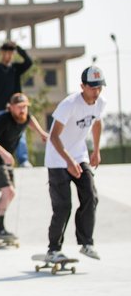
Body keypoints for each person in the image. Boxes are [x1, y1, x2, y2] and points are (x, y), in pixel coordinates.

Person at [43, 66, 107, 262]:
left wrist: (96, 150)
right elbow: (53, 136)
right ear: (82, 86)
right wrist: (68, 161)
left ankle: (86, 243)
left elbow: (96, 123)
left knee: (90, 195)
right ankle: (53, 249)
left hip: (79, 155)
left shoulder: (100, 103)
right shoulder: (69, 104)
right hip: (57, 158)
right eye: (92, 87)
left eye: (99, 87)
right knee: (63, 206)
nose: (96, 92)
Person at [0, 93, 48, 239]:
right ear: (10, 108)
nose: (22, 111)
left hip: (3, 161)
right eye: (18, 108)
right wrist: (4, 154)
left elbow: (30, 120)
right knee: (8, 191)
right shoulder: (4, 119)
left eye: (24, 107)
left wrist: (41, 132)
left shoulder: (25, 116)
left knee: (10, 193)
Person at [0, 41, 33, 167]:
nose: (8, 55)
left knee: (20, 133)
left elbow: (29, 62)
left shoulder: (15, 69)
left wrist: (18, 48)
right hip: (0, 107)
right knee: (0, 134)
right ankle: (0, 159)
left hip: (16, 106)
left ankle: (23, 160)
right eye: (6, 52)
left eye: (11, 52)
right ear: (2, 53)